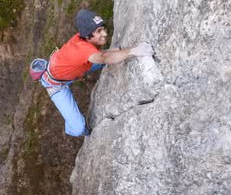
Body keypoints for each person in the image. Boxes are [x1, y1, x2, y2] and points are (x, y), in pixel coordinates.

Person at [33, 9, 153, 137]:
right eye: (99, 31)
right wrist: (133, 51)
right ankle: (77, 129)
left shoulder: (84, 39)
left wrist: (117, 52)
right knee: (79, 128)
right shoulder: (82, 50)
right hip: (55, 85)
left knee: (105, 58)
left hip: (71, 69)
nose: (105, 34)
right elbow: (105, 58)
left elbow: (102, 56)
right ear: (87, 35)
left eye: (103, 29)